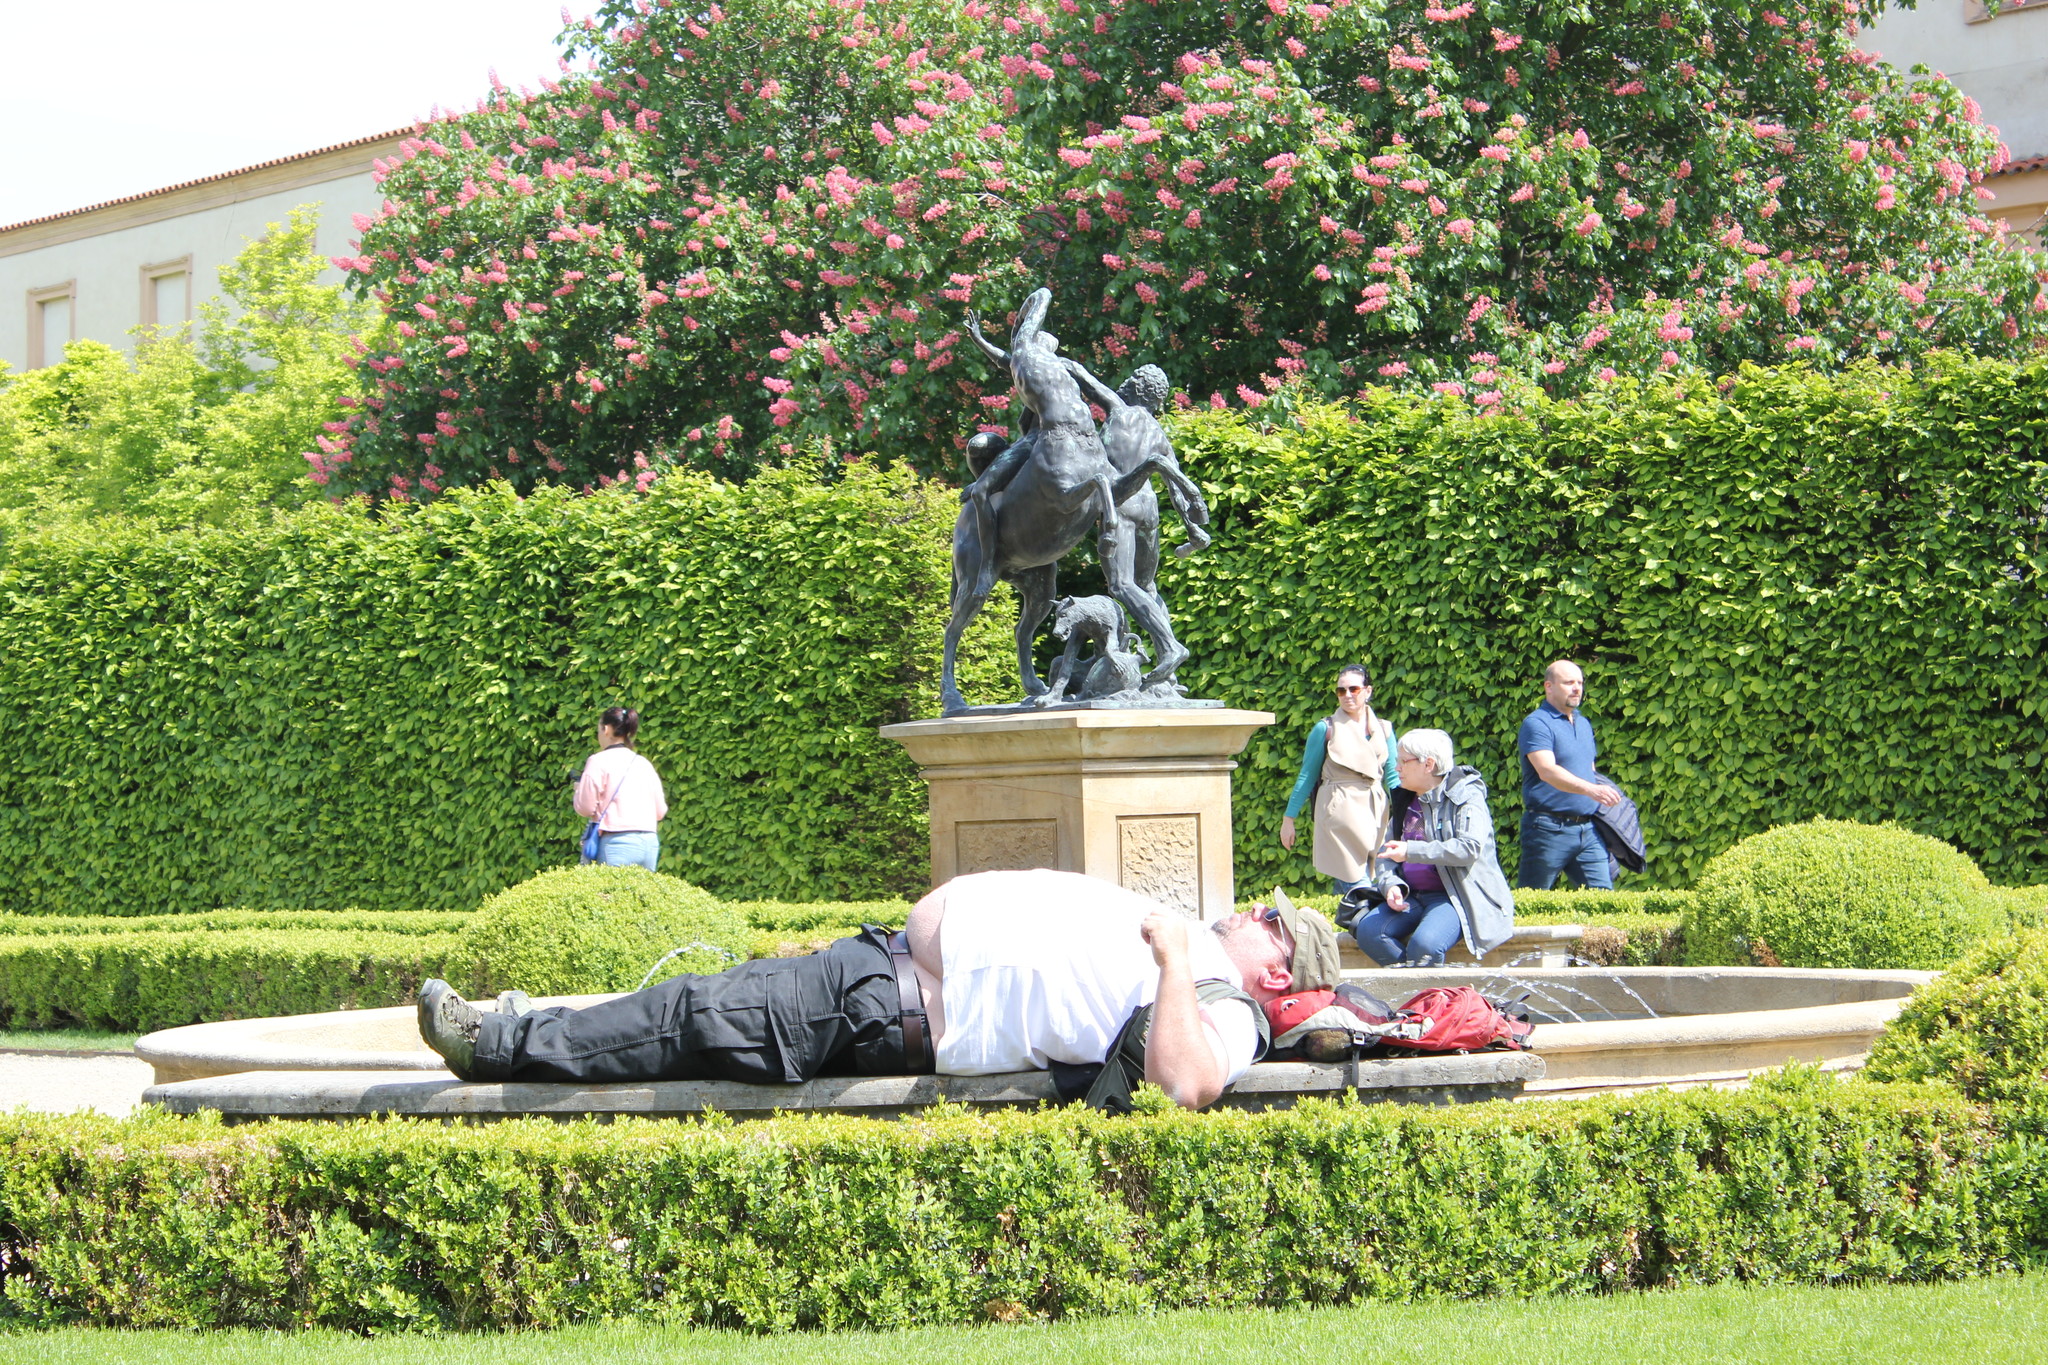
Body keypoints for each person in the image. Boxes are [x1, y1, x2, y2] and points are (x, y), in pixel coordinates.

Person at [415, 869, 1343, 1112]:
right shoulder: (1207, 962)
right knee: (691, 1007)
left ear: (1278, 967)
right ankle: (522, 1028)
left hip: (888, 1005)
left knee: (687, 1014)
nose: (1254, 906)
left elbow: (1189, 1082)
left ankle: (497, 1044)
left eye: (1271, 914)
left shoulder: (1228, 1006)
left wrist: (1178, 955)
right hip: (879, 970)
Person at [1351, 728, 1516, 967]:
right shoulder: (1406, 800)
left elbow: (1469, 848)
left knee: (1425, 947)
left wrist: (1411, 851)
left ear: (1428, 764)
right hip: (1412, 896)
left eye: (1403, 762)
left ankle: (1426, 998)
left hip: (1453, 896)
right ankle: (1416, 992)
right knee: (1369, 932)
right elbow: (1387, 854)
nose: (1397, 768)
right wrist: (1391, 885)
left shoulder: (1466, 795)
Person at [1279, 664, 1400, 896]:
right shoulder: (1325, 729)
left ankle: (1343, 920)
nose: (1346, 696)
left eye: (1353, 689)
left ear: (1368, 691)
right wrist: (1288, 819)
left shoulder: (1384, 729)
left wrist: (1407, 813)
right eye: (1341, 691)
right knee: (1359, 884)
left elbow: (1393, 776)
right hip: (1338, 812)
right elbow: (1307, 775)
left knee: (1366, 877)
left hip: (1376, 811)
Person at [1515, 660, 1622, 890]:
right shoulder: (1536, 724)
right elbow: (1547, 770)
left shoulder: (1583, 723)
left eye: (1580, 683)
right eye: (1568, 683)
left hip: (1588, 830)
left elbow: (1589, 769)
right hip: (1547, 829)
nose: (1577, 688)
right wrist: (1592, 790)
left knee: (1603, 902)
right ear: (1549, 686)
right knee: (1532, 900)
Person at [575, 706, 668, 872]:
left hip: (616, 843)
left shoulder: (598, 761)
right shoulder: (643, 763)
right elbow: (660, 811)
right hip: (649, 842)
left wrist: (578, 790)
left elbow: (585, 808)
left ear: (606, 729)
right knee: (644, 896)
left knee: (613, 896)